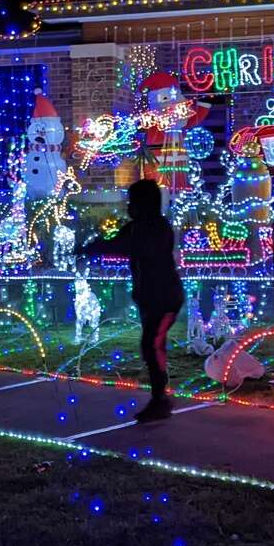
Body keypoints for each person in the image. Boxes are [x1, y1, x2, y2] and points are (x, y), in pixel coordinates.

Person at [77, 178, 183, 422]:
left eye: (132, 201)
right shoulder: (138, 227)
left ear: (143, 203)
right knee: (152, 345)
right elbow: (117, 243)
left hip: (164, 298)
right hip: (150, 298)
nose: (128, 206)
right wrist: (89, 248)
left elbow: (128, 246)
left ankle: (161, 400)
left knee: (152, 345)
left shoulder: (155, 227)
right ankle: (160, 398)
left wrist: (94, 248)